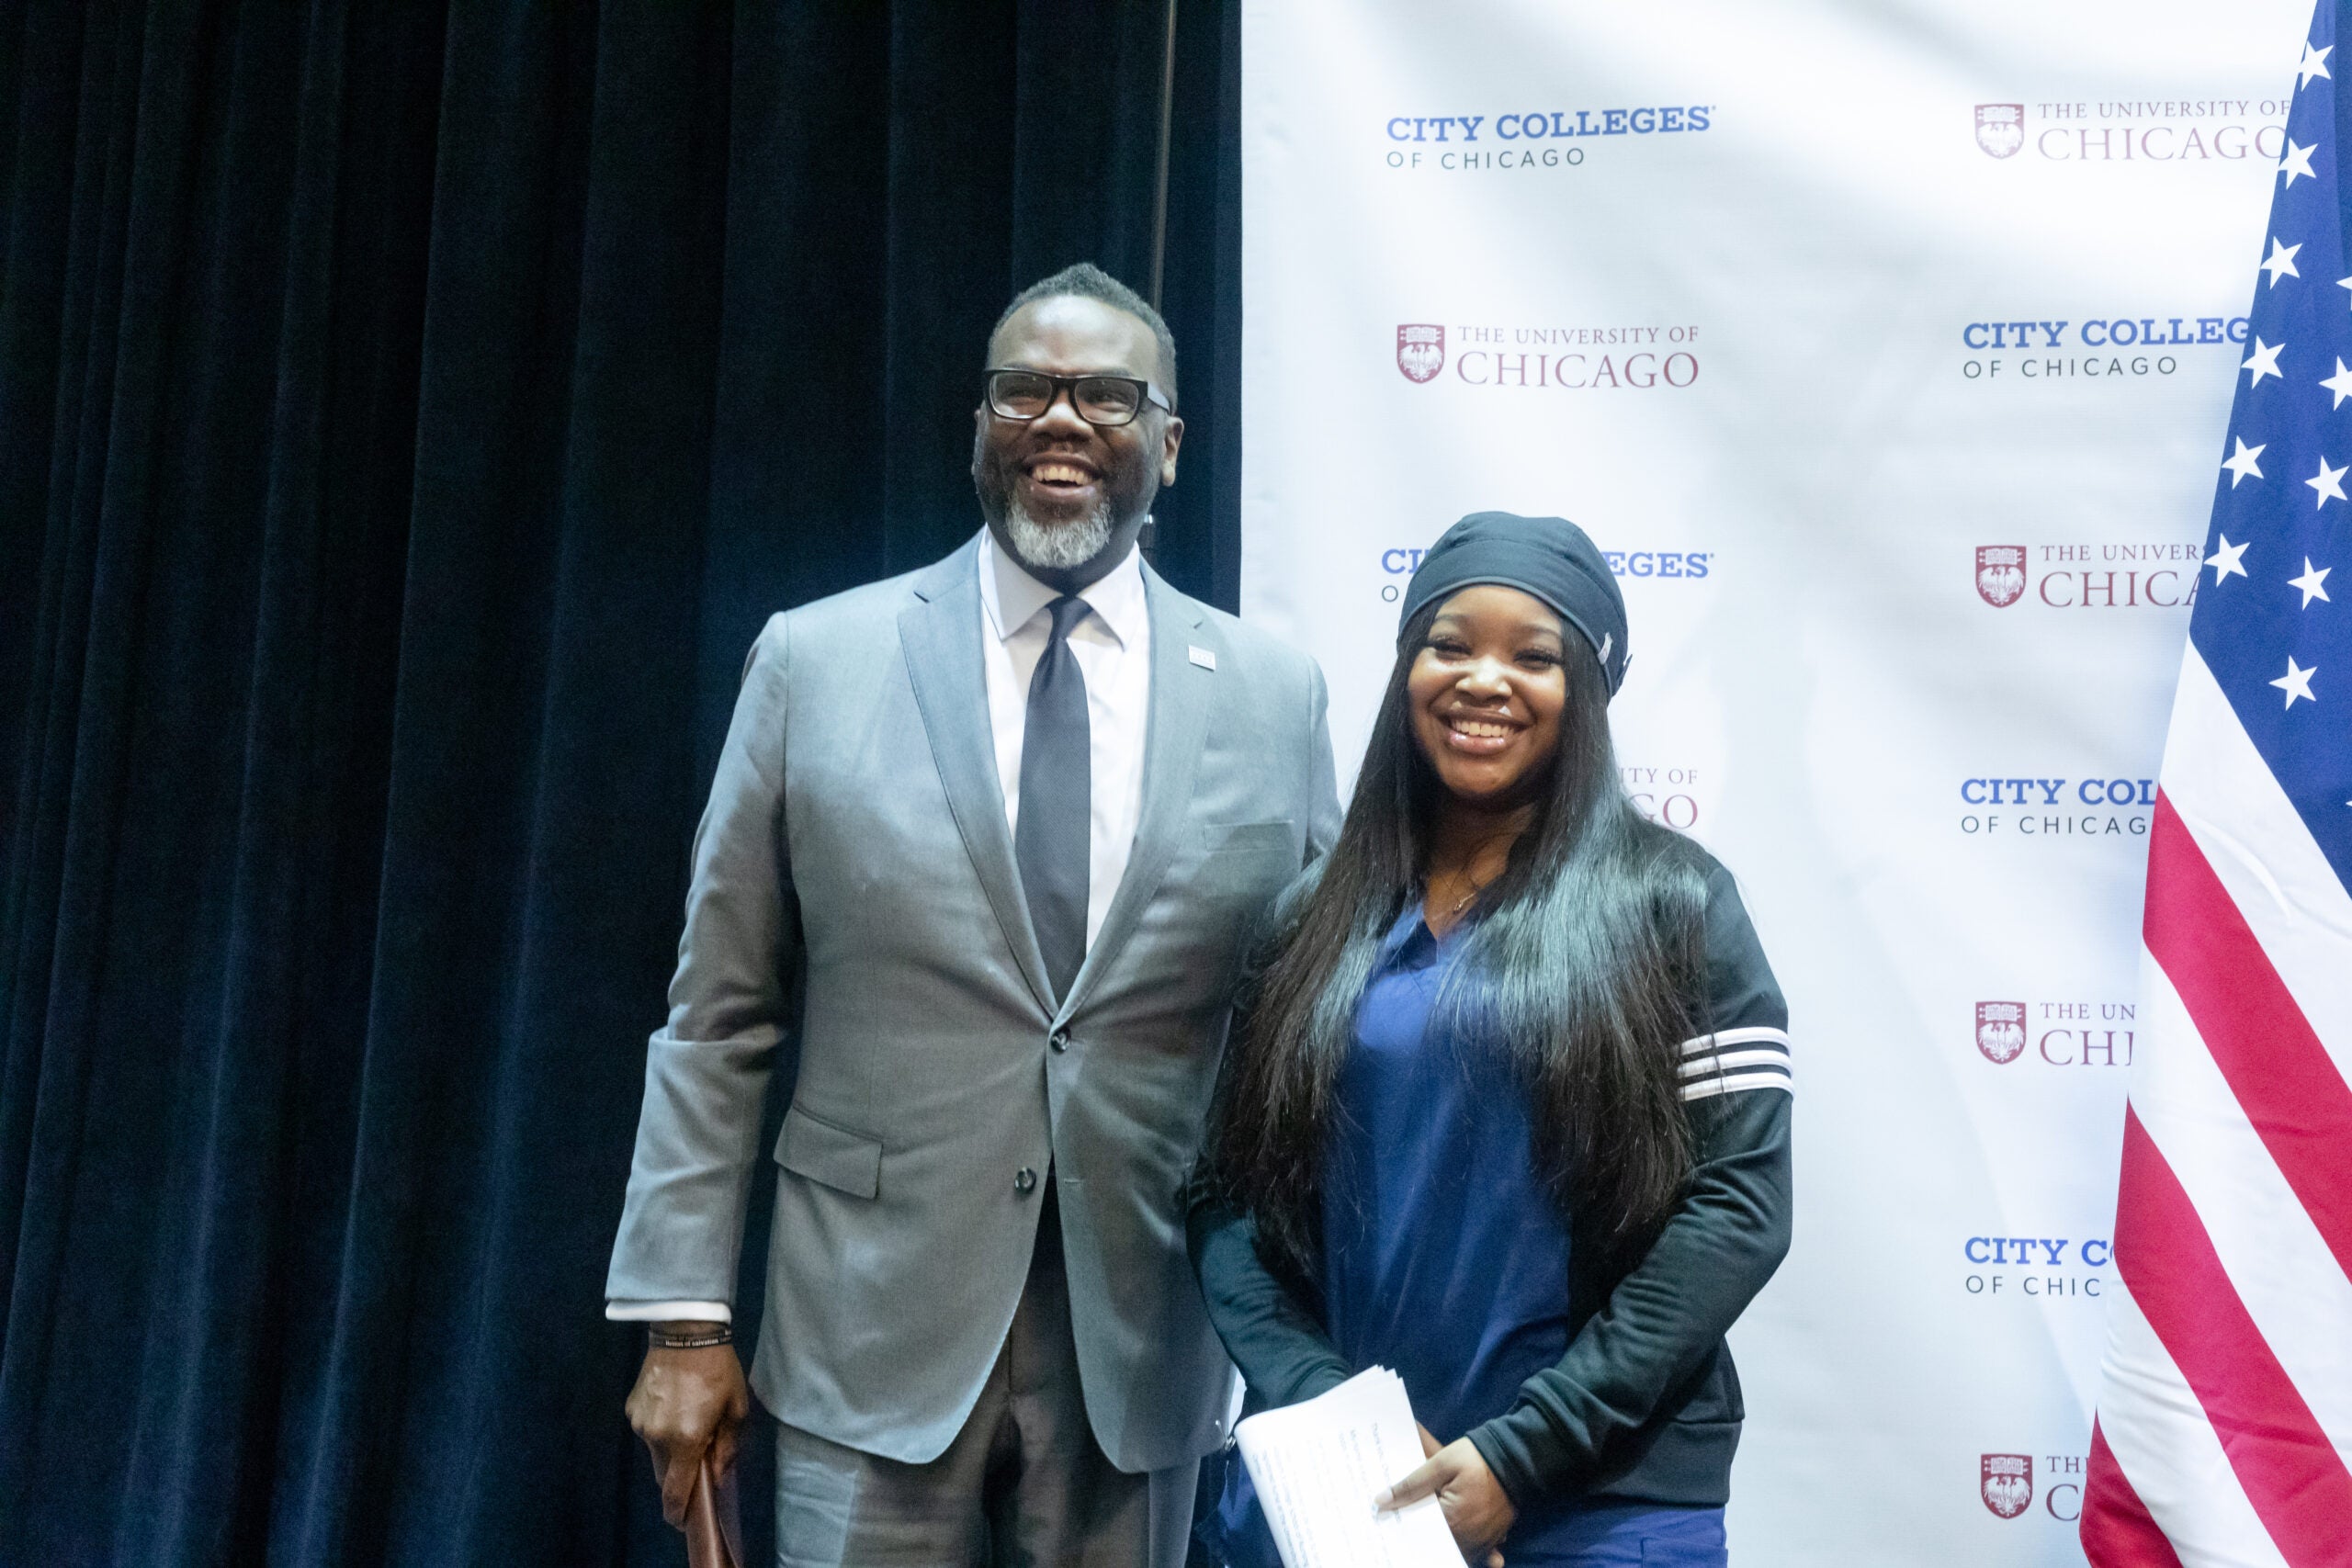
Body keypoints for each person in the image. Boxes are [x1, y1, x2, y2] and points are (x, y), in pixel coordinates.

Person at [605, 263, 1340, 1568]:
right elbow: (718, 1016)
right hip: (867, 1331)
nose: (1061, 418)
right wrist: (682, 1318)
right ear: (978, 427)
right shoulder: (817, 660)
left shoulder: (1274, 696)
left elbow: (1316, 1025)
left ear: (1170, 444)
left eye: (1106, 395)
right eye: (1024, 390)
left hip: (1142, 1343)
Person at [1187, 513, 1792, 1568]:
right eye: (1449, 645)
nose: (1483, 680)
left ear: (1587, 689)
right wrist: (1334, 1417)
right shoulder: (1307, 920)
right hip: (1345, 1502)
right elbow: (1224, 1199)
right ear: (1406, 669)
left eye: (1533, 657)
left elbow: (1739, 1207)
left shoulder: (1675, 904)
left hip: (1600, 1506)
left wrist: (1523, 1454)